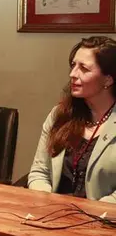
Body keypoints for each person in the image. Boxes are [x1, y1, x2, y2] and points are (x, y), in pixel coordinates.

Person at [28, 36, 116, 203]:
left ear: (108, 79)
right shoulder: (59, 115)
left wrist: (87, 214)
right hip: (52, 215)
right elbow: (39, 173)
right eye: (73, 65)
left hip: (103, 221)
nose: (72, 74)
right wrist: (48, 203)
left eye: (84, 68)